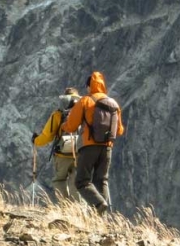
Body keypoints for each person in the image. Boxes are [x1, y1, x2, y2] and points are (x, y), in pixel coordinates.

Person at [62, 71, 124, 215]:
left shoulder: (85, 101)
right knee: (101, 181)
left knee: (82, 181)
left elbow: (71, 126)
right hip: (107, 147)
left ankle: (99, 203)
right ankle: (103, 217)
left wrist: (64, 126)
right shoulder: (113, 104)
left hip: (88, 146)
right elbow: (119, 130)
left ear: (89, 87)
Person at [32, 87, 81, 202]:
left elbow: (47, 136)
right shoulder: (82, 114)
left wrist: (36, 141)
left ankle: (65, 207)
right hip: (79, 154)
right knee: (76, 180)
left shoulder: (58, 114)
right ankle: (78, 209)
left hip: (62, 154)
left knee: (59, 180)